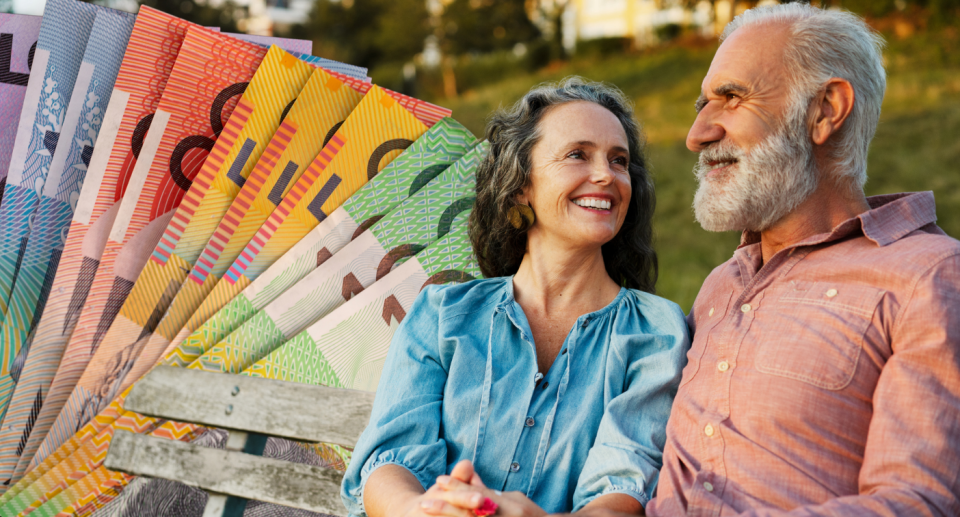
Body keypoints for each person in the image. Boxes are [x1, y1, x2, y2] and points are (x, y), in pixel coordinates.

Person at [641, 3, 960, 516]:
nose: (696, 134)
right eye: (703, 104)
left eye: (731, 98)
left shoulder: (929, 277)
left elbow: (917, 503)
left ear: (825, 110)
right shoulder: (720, 287)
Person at [340, 77, 690, 517]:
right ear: (521, 184)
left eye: (618, 161)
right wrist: (425, 510)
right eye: (578, 154)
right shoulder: (443, 314)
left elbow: (619, 498)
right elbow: (388, 463)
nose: (606, 175)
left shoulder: (656, 332)